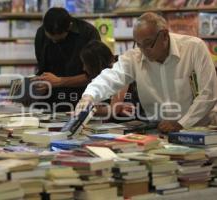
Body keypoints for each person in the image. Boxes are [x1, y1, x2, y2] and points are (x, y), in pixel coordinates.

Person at [76, 12, 217, 134]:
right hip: (160, 131)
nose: (144, 50)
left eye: (148, 43)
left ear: (164, 35)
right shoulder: (135, 57)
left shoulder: (193, 48)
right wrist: (89, 96)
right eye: (138, 44)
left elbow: (208, 93)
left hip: (200, 129)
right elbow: (111, 77)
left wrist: (182, 123)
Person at [33, 7, 100, 112]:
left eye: (59, 39)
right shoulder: (41, 33)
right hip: (50, 103)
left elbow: (95, 75)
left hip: (80, 101)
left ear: (70, 26)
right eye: (51, 38)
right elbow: (42, 69)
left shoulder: (88, 33)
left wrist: (60, 81)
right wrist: (40, 84)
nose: (55, 41)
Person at [80, 40, 143, 120]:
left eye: (85, 64)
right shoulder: (100, 80)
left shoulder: (119, 70)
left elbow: (113, 110)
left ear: (94, 63)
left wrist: (87, 110)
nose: (84, 68)